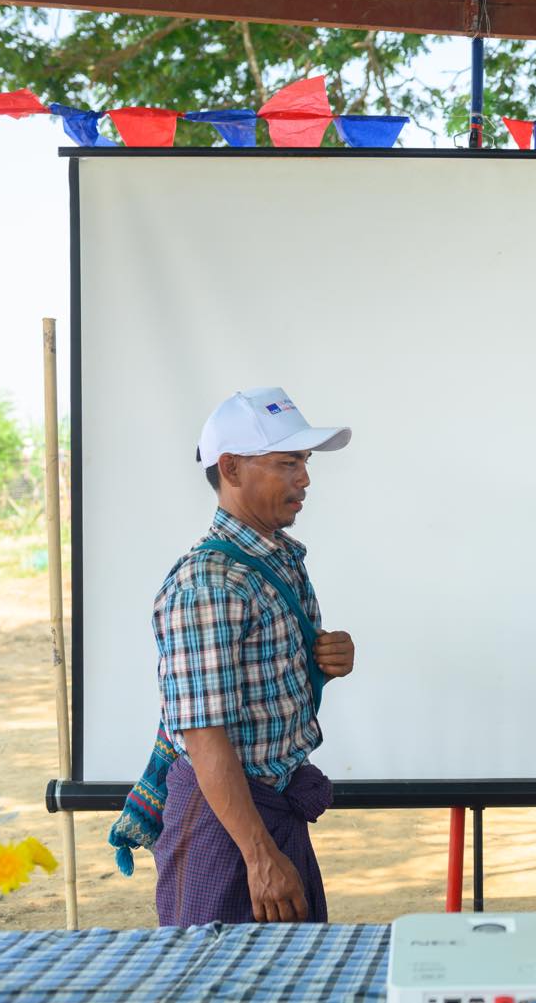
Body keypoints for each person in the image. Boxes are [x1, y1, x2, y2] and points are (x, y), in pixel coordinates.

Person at [152, 387, 358, 927]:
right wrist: (260, 856)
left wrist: (325, 659)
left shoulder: (275, 560)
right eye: (287, 463)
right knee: (216, 982)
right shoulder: (209, 583)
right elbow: (203, 734)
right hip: (230, 832)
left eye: (305, 463)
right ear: (231, 469)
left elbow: (259, 686)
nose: (305, 479)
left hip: (264, 816)